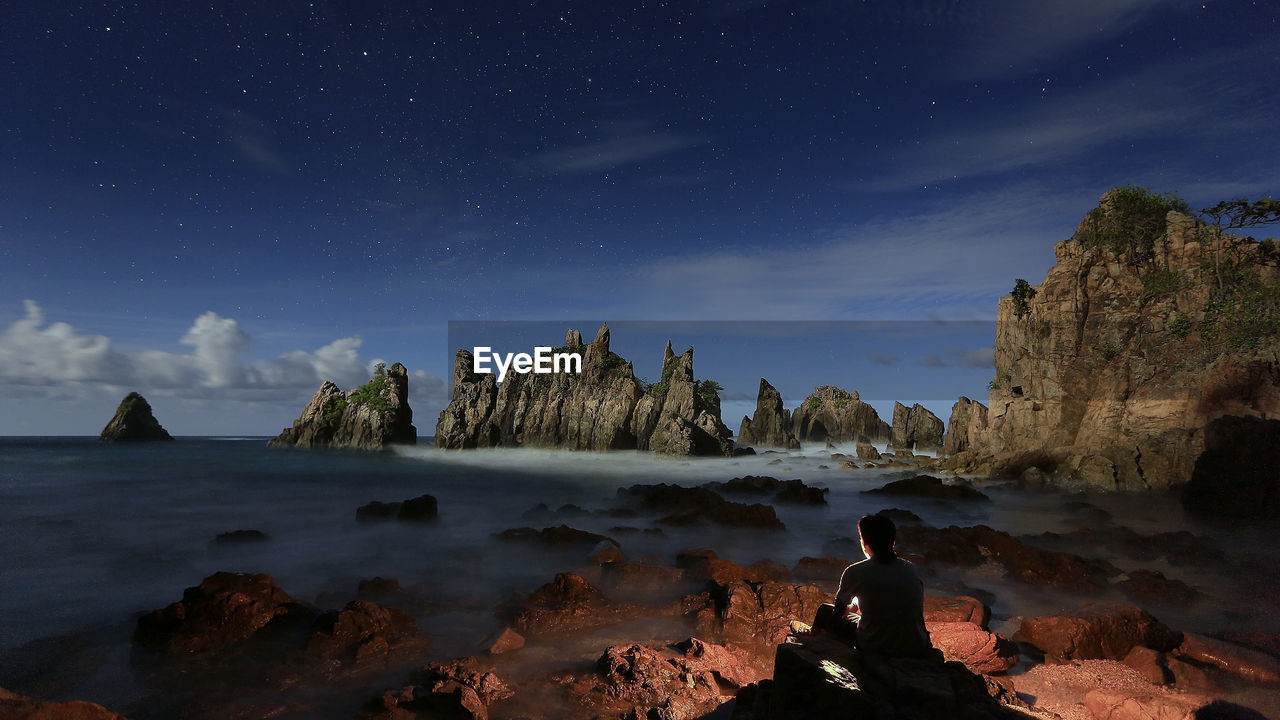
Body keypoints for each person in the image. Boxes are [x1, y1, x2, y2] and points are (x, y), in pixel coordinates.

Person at [799, 513, 933, 658]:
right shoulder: (911, 569)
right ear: (893, 542)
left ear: (864, 544)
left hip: (876, 646)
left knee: (824, 611)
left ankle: (813, 637)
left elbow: (838, 613)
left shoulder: (855, 571)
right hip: (916, 645)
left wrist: (851, 608)